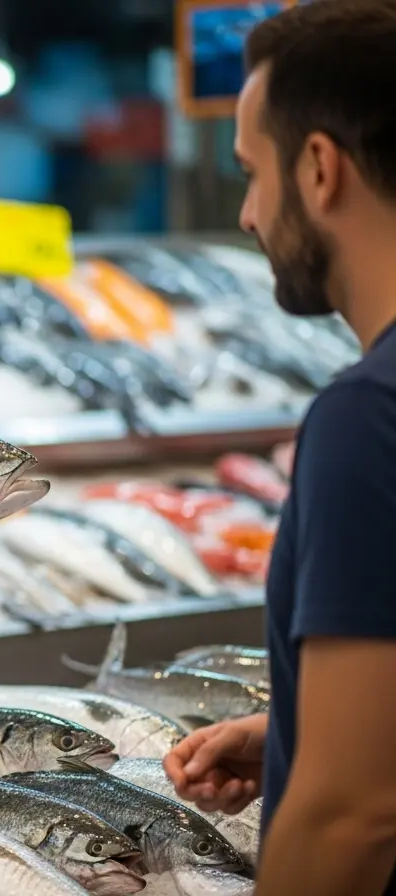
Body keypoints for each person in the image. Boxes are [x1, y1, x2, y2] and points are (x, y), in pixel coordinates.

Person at [162, 2, 396, 893]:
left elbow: (352, 814)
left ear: (321, 167)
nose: (252, 215)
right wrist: (296, 730)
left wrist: (323, 768)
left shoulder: (367, 417)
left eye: (252, 174)